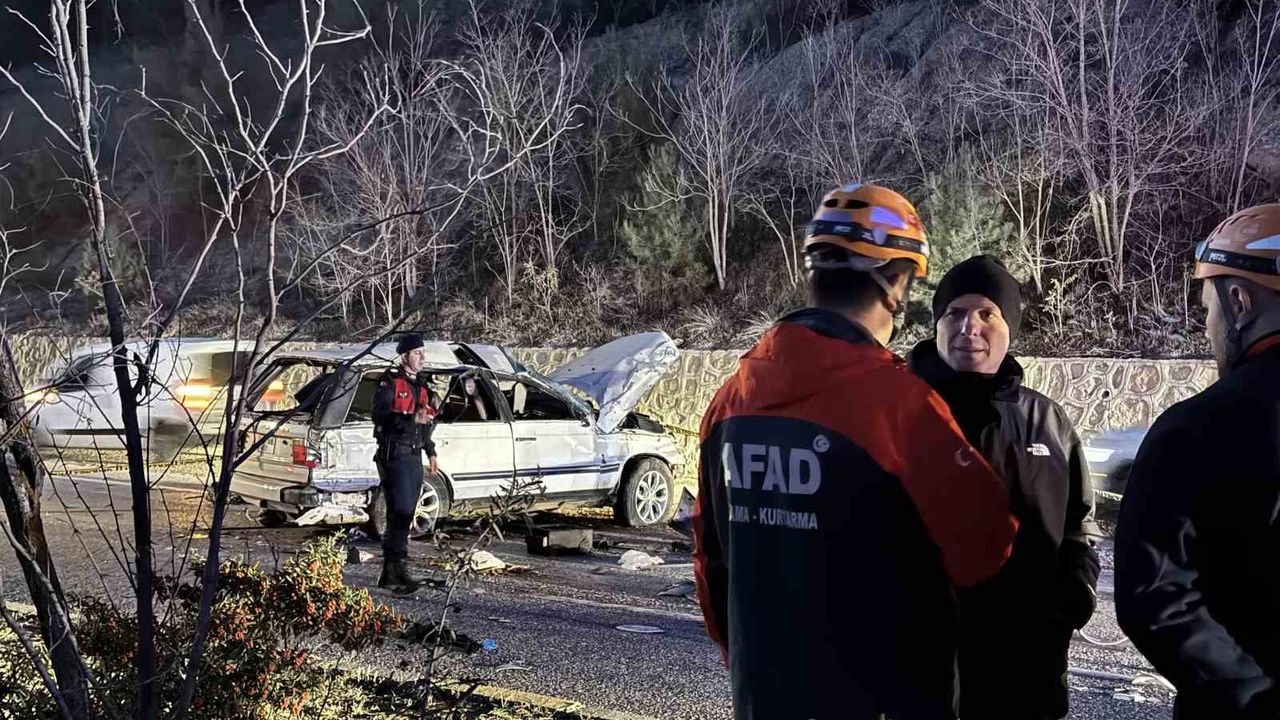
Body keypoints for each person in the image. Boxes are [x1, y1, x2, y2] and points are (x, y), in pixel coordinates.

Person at [693, 183, 1018, 720]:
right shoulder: (899, 407)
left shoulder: (729, 402)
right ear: (896, 282)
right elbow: (986, 546)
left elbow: (710, 560)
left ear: (815, 274)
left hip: (762, 695)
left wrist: (752, 661)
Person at [907, 255, 1101, 720]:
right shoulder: (899, 413)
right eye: (953, 313)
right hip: (918, 671)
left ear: (1009, 327)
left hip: (1027, 671)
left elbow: (1081, 524)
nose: (968, 327)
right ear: (936, 325)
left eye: (986, 314)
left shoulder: (1047, 422)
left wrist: (1076, 594)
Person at [1115, 203, 1280, 719]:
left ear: (1238, 300)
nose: (1208, 327)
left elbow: (1156, 595)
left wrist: (1250, 698)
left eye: (1207, 306)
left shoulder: (1196, 427)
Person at [371, 333, 439, 594]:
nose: (422, 357)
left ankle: (391, 573)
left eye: (423, 352)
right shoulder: (389, 384)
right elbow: (380, 419)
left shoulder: (421, 388)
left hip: (414, 455)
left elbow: (427, 425)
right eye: (417, 353)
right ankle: (397, 571)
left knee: (406, 514)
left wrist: (431, 451)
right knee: (398, 513)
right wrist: (412, 419)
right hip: (394, 455)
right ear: (404, 357)